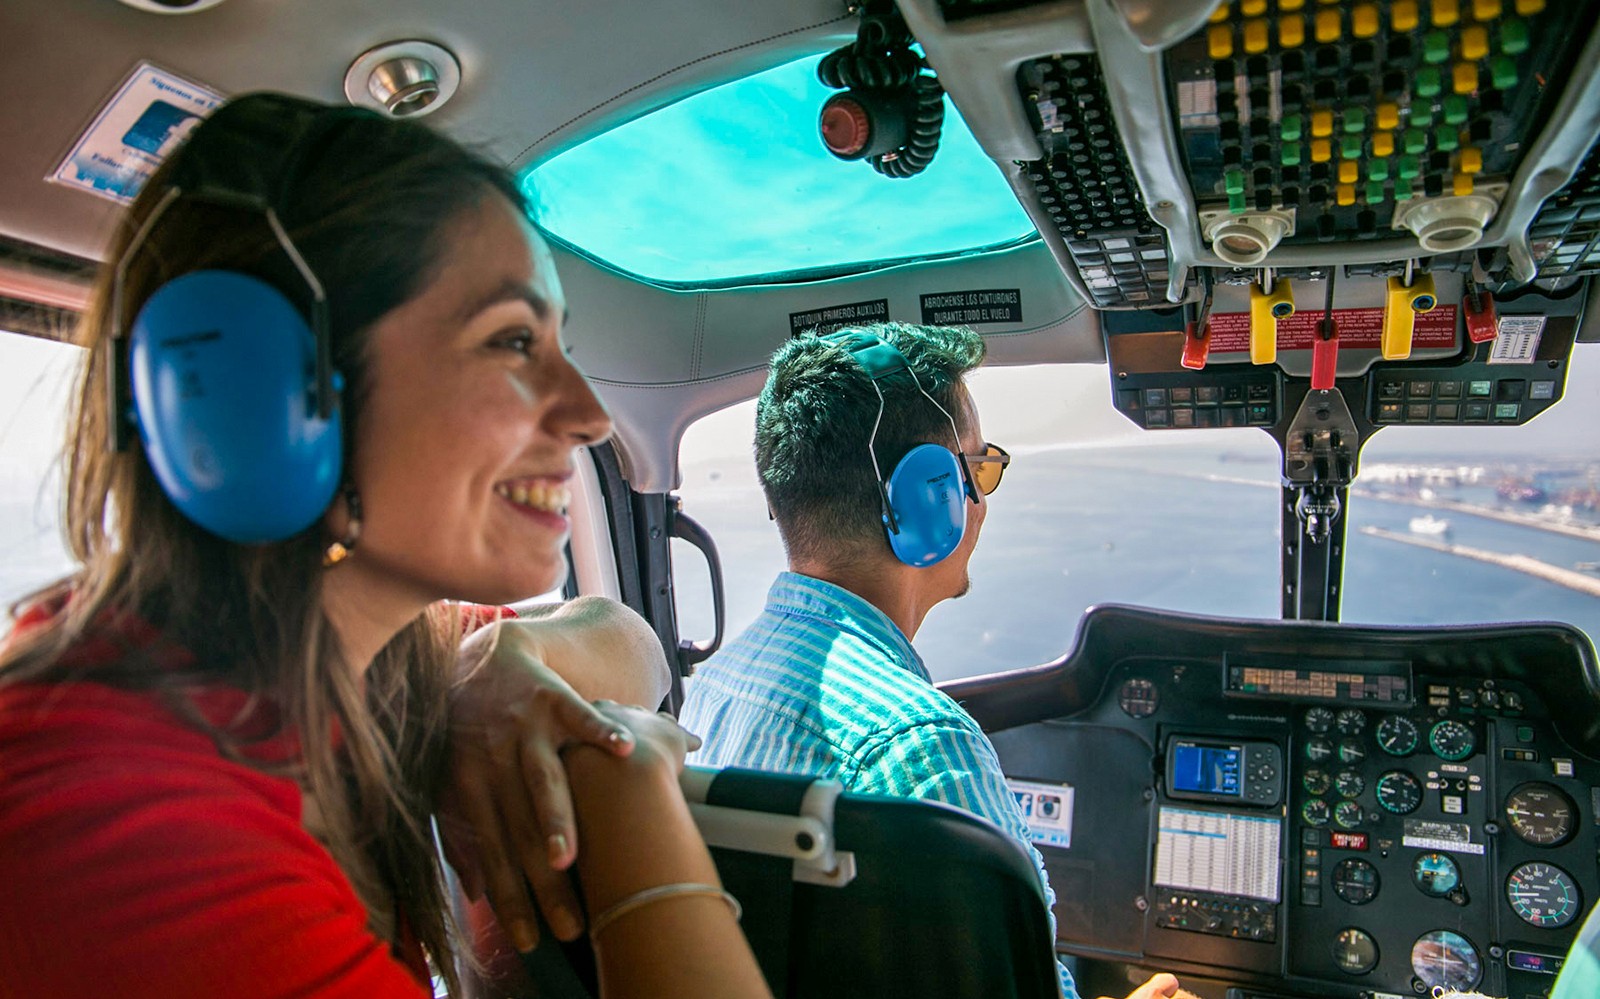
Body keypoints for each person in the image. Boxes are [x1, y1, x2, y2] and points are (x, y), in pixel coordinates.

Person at [0, 92, 769, 999]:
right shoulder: (119, 831)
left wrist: (503, 659)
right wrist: (636, 805)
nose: (588, 414)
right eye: (513, 341)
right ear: (265, 394)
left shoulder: (356, 664)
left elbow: (629, 641)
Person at [678, 321, 1179, 999]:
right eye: (980, 470)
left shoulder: (715, 687)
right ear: (929, 500)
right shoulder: (918, 745)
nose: (982, 500)